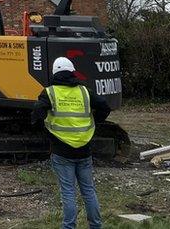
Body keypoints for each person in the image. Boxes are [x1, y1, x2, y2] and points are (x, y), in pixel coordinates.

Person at [32, 57, 111, 229]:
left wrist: (43, 129)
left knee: (68, 191)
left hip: (61, 151)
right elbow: (105, 105)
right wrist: (95, 121)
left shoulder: (50, 92)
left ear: (54, 73)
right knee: (88, 191)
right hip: (84, 149)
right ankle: (96, 226)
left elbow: (37, 111)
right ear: (72, 71)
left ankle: (69, 227)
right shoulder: (84, 91)